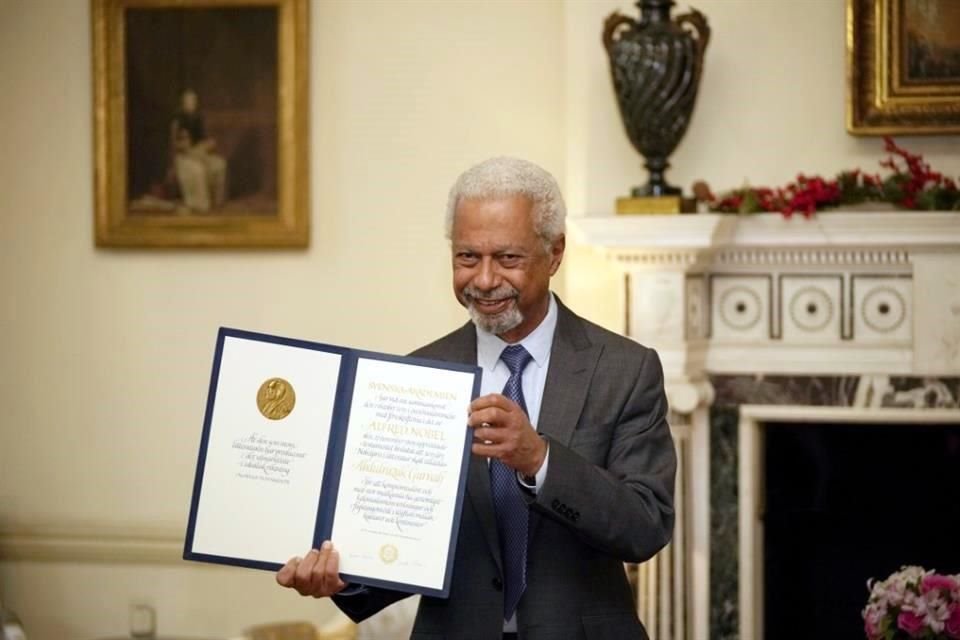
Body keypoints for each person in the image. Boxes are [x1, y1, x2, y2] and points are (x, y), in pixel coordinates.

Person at [276, 157, 676, 640]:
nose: (484, 280)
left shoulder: (624, 370)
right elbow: (399, 545)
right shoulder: (414, 377)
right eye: (467, 258)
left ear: (554, 253)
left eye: (507, 258)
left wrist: (540, 459)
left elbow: (645, 527)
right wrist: (341, 579)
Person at [170, 89, 227, 212]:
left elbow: (203, 139)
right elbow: (176, 144)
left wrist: (208, 144)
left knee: (219, 164)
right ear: (183, 103)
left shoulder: (198, 118)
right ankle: (200, 204)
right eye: (189, 101)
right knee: (198, 169)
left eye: (194, 100)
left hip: (198, 153)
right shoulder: (178, 120)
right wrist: (188, 148)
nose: (192, 103)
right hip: (184, 158)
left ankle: (216, 202)